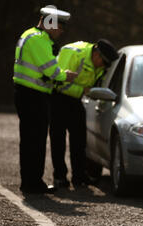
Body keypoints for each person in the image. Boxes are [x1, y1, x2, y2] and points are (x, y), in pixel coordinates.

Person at [13, 6, 78, 194]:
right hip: (33, 96)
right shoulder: (39, 40)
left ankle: (31, 181)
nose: (61, 31)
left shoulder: (30, 35)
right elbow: (50, 70)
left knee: (30, 140)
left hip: (27, 94)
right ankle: (33, 183)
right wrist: (65, 76)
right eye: (59, 26)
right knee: (36, 140)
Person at [50, 39, 119, 188]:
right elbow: (58, 82)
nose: (102, 66)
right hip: (58, 98)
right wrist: (84, 91)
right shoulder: (73, 53)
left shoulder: (100, 64)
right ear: (96, 53)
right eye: (103, 62)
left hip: (76, 99)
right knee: (58, 139)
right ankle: (59, 177)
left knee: (79, 139)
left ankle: (79, 177)